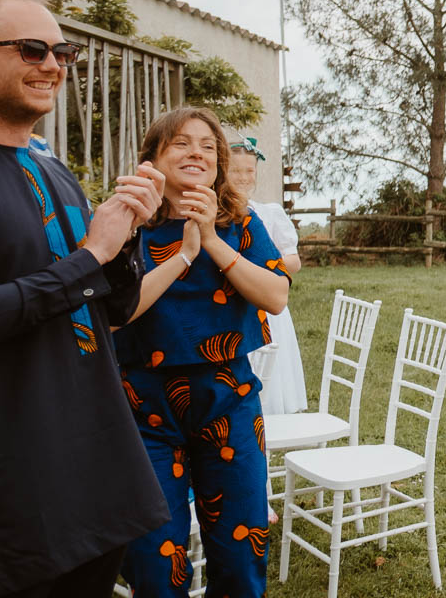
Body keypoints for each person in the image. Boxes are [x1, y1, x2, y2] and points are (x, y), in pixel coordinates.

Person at [0, 0, 168, 598]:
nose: (52, 64)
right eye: (31, 48)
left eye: (61, 51)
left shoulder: (55, 171)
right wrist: (93, 253)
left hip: (97, 471)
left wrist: (125, 241)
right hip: (15, 482)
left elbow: (112, 308)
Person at [113, 107, 291, 598]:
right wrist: (184, 255)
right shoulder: (127, 223)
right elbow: (114, 313)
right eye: (181, 143)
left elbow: (275, 295)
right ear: (153, 156)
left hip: (228, 402)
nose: (196, 153)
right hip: (143, 412)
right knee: (152, 561)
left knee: (240, 553)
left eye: (208, 146)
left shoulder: (240, 220)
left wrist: (210, 240)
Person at [226, 134, 307, 416]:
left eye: (250, 171)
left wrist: (258, 267)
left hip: (267, 307)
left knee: (270, 381)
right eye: (236, 170)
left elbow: (293, 261)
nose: (244, 177)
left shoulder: (269, 214)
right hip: (229, 309)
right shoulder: (217, 214)